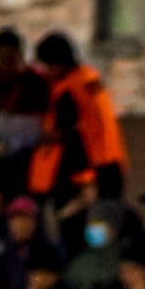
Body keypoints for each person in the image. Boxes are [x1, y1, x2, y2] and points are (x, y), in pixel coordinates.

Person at [29, 32, 128, 206]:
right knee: (106, 220)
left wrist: (36, 136)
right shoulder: (89, 77)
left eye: (48, 66)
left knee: (79, 224)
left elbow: (65, 133)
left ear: (58, 63)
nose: (47, 72)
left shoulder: (69, 90)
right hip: (111, 162)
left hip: (87, 171)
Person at [0, 27, 51, 196]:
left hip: (35, 156)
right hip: (3, 153)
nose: (8, 67)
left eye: (11, 60)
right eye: (3, 60)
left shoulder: (37, 80)